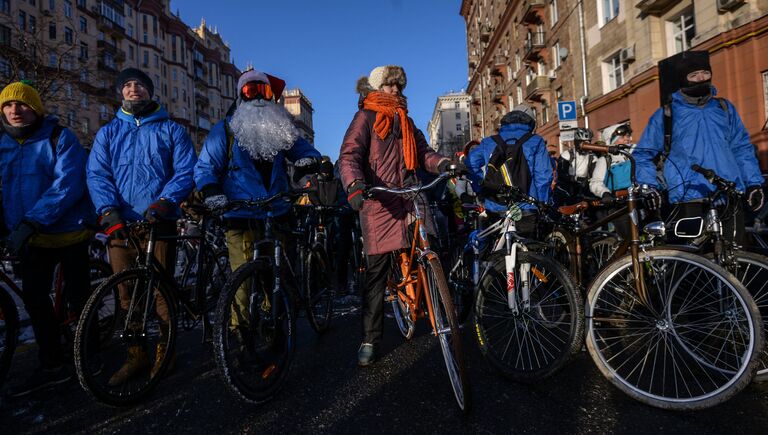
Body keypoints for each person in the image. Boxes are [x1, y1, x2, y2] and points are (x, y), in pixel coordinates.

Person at [338, 65, 458, 366]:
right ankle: (370, 338)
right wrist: (354, 185)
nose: (396, 91)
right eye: (390, 86)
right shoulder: (364, 117)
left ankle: (437, 306)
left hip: (410, 197)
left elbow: (423, 153)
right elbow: (349, 156)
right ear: (378, 88)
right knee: (376, 275)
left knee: (429, 251)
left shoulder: (407, 120)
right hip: (379, 203)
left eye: (399, 87)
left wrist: (444, 163)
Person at [87, 68, 197, 386]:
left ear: (150, 92)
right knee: (125, 293)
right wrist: (107, 211)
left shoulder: (171, 130)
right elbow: (97, 174)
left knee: (161, 290)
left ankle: (166, 348)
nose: (134, 89)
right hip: (120, 225)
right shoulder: (108, 133)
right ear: (121, 93)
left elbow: (185, 170)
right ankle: (136, 354)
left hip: (158, 221)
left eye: (140, 85)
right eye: (128, 85)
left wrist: (165, 201)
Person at [194, 68, 320, 338]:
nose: (259, 98)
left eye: (264, 91)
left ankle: (277, 323)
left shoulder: (280, 127)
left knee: (277, 276)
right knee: (241, 280)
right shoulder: (225, 131)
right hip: (241, 214)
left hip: (277, 211)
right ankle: (240, 334)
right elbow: (205, 167)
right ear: (241, 96)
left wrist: (307, 160)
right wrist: (212, 191)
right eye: (251, 91)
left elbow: (302, 148)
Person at [0, 81, 93, 396]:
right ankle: (52, 364)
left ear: (36, 108)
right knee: (35, 300)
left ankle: (89, 355)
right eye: (8, 105)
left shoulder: (59, 136)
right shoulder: (3, 145)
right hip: (32, 237)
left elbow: (67, 185)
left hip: (68, 231)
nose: (15, 110)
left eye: (22, 104)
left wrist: (32, 221)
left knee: (81, 298)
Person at [634, 51, 764, 243]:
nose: (701, 78)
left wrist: (753, 183)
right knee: (693, 262)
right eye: (693, 75)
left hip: (728, 192)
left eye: (705, 73)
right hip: (688, 196)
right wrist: (649, 188)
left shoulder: (724, 108)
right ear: (683, 80)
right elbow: (643, 154)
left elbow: (741, 147)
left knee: (736, 258)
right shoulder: (667, 114)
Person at [465, 104, 554, 237]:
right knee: (528, 249)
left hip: (494, 206)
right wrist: (542, 203)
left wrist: (481, 189)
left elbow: (470, 163)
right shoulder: (535, 141)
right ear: (531, 123)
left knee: (495, 249)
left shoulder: (489, 142)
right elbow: (543, 176)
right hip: (526, 207)